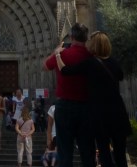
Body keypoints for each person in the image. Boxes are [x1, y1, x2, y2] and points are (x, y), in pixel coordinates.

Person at [56, 31, 132, 167]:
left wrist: (57, 54)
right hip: (118, 113)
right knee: (121, 156)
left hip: (100, 115)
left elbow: (65, 71)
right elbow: (120, 76)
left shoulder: (90, 63)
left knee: (104, 153)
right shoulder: (114, 63)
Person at [43, 23, 95, 167]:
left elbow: (45, 65)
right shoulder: (91, 56)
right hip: (86, 107)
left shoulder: (63, 54)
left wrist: (56, 52)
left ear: (71, 37)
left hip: (65, 107)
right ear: (86, 39)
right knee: (88, 151)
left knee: (65, 153)